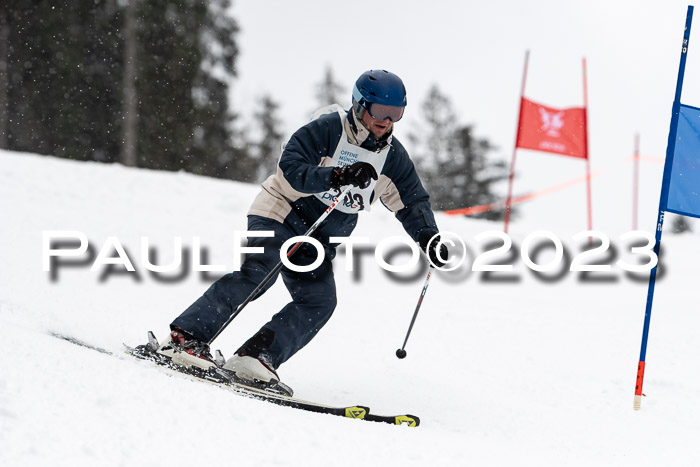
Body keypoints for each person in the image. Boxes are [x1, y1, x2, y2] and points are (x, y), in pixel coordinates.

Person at [156, 69, 448, 391]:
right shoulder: (327, 128)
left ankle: (256, 357)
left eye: (397, 114)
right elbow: (291, 169)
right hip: (280, 212)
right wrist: (338, 176)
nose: (387, 121)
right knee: (260, 271)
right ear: (359, 105)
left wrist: (428, 237)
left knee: (319, 300)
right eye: (380, 112)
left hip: (319, 237)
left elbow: (412, 201)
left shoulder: (392, 158)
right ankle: (186, 337)